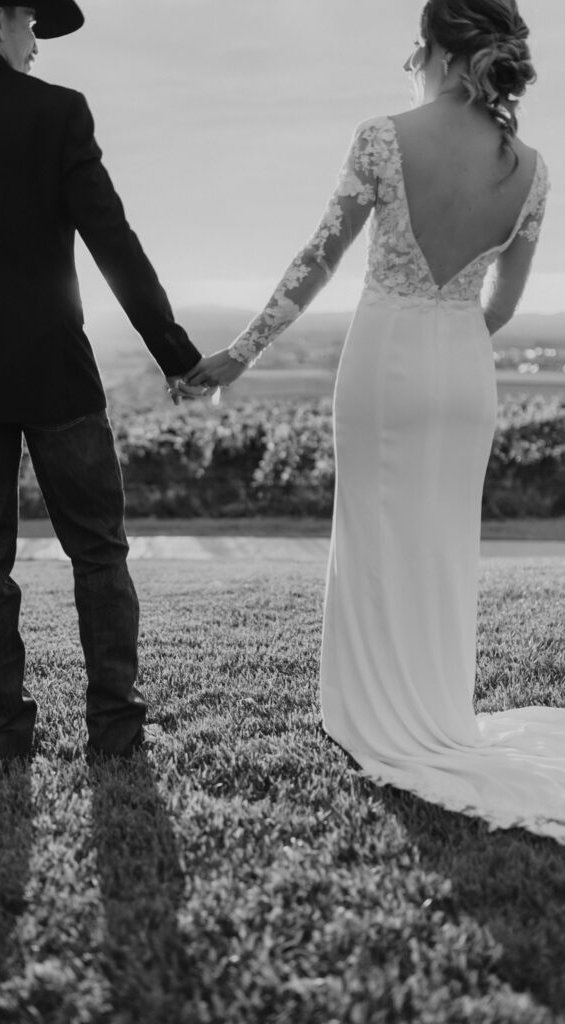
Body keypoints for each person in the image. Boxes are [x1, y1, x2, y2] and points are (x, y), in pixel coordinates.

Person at [183, 0, 565, 842]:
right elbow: (500, 304)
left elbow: (315, 261)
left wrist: (240, 355)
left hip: (383, 359)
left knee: (374, 535)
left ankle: (376, 714)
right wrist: (450, 341)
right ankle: (437, 712)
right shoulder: (531, 169)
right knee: (439, 544)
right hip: (464, 370)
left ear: (429, 49)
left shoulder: (380, 137)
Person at [0, 1, 206, 762]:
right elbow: (111, 242)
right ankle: (116, 729)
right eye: (31, 24)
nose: (36, 45)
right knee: (98, 552)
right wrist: (176, 354)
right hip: (57, 371)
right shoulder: (57, 112)